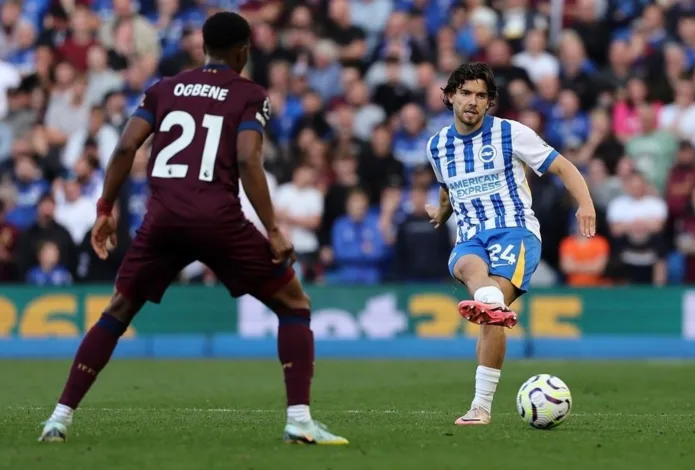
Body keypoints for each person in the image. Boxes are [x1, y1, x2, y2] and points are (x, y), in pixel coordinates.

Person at [38, 12, 347, 446]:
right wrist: (274, 229)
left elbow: (127, 145)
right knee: (294, 304)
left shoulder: (163, 88)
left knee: (116, 313)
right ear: (243, 52)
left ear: (202, 47)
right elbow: (246, 159)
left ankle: (58, 418)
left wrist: (105, 207)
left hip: (163, 220)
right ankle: (299, 420)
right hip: (219, 219)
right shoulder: (249, 94)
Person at [424, 63, 595, 425]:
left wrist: (586, 204)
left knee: (490, 313)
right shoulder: (437, 146)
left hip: (514, 232)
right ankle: (489, 302)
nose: (473, 101)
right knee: (471, 273)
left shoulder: (510, 134)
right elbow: (447, 189)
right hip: (470, 234)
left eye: (481, 95)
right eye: (466, 93)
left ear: (490, 103)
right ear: (449, 95)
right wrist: (441, 216)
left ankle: (480, 408)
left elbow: (563, 166)